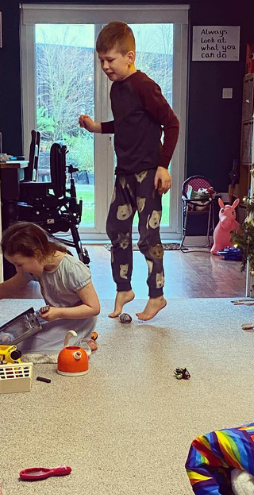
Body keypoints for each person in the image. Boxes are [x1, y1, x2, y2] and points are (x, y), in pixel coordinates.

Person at [78, 21, 179, 321]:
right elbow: (124, 123)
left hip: (148, 175)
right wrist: (98, 127)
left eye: (110, 60)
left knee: (149, 237)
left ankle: (157, 295)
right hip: (124, 175)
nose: (105, 67)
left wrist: (164, 166)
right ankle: (124, 288)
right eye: (101, 61)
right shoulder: (116, 89)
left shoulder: (144, 86)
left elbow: (171, 123)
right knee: (116, 230)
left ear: (130, 57)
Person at [0, 222, 100, 356]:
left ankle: (83, 340)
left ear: (37, 254)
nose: (17, 270)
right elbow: (6, 288)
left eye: (19, 264)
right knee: (8, 338)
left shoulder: (72, 269)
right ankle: (79, 340)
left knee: (27, 349)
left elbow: (94, 308)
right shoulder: (38, 265)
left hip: (77, 321)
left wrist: (58, 312)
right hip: (55, 316)